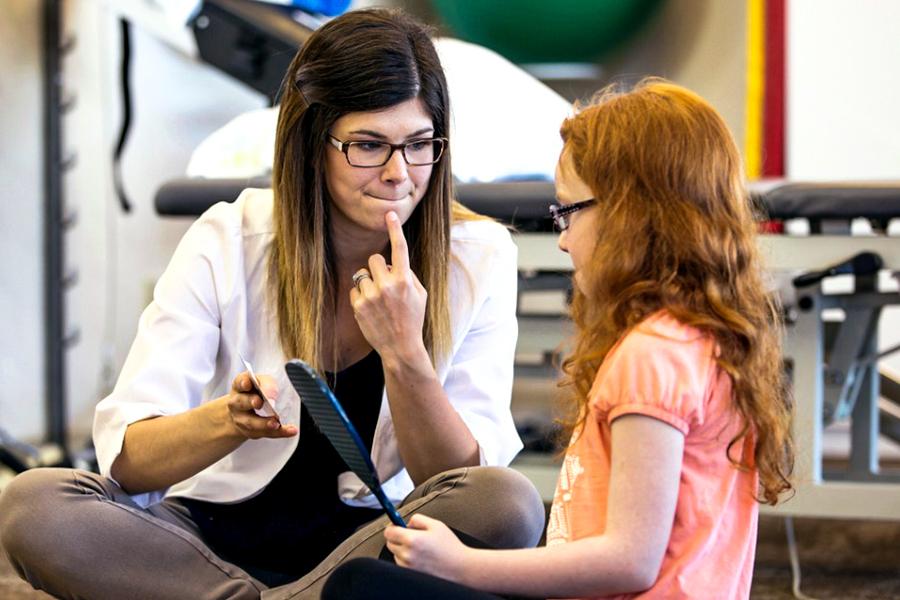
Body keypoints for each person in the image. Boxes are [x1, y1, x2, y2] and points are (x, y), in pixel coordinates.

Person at [0, 9, 544, 599]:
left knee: (507, 504)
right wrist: (225, 421)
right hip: (206, 539)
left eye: (418, 145)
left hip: (374, 545)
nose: (399, 173)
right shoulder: (228, 238)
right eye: (368, 145)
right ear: (311, 144)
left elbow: (456, 483)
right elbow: (128, 463)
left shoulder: (478, 256)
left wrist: (405, 354)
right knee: (34, 505)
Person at [321, 79, 795, 599]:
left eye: (568, 211)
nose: (563, 239)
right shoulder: (702, 342)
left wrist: (463, 566)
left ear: (630, 213)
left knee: (359, 583)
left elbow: (631, 561)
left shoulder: (652, 354)